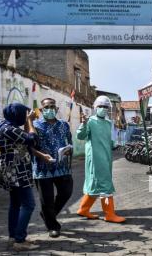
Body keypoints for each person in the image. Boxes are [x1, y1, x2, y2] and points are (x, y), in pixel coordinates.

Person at [0, 103, 52, 251]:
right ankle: (19, 240)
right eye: (24, 113)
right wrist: (30, 121)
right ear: (18, 114)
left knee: (15, 204)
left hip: (13, 171)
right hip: (17, 172)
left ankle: (13, 237)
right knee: (29, 204)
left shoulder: (6, 127)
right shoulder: (9, 129)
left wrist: (27, 123)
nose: (25, 116)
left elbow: (25, 141)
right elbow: (31, 139)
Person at [76, 95, 126, 223]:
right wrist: (83, 123)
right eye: (100, 106)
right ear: (95, 107)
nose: (103, 109)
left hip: (106, 158)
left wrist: (115, 145)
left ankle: (83, 209)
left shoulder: (108, 123)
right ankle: (109, 214)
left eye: (105, 107)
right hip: (95, 159)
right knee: (105, 185)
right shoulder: (90, 121)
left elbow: (108, 141)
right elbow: (81, 136)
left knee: (95, 185)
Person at [32, 98, 74, 238]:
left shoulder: (64, 125)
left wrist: (69, 150)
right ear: (41, 109)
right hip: (42, 168)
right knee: (47, 199)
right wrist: (42, 156)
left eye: (52, 106)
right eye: (46, 107)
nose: (49, 109)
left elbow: (69, 140)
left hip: (62, 167)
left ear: (56, 109)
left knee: (66, 192)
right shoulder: (35, 125)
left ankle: (48, 215)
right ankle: (53, 226)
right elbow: (29, 146)